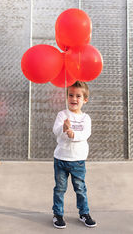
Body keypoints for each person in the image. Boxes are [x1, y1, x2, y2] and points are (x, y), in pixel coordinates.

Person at [52, 81, 97, 229]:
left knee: (80, 188)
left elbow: (85, 134)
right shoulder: (62, 115)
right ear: (67, 97)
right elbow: (56, 132)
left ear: (85, 99)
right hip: (61, 159)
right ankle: (58, 214)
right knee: (60, 188)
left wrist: (73, 134)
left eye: (78, 96)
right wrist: (63, 129)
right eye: (71, 95)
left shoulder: (86, 118)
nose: (74, 99)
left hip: (78, 161)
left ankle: (84, 213)